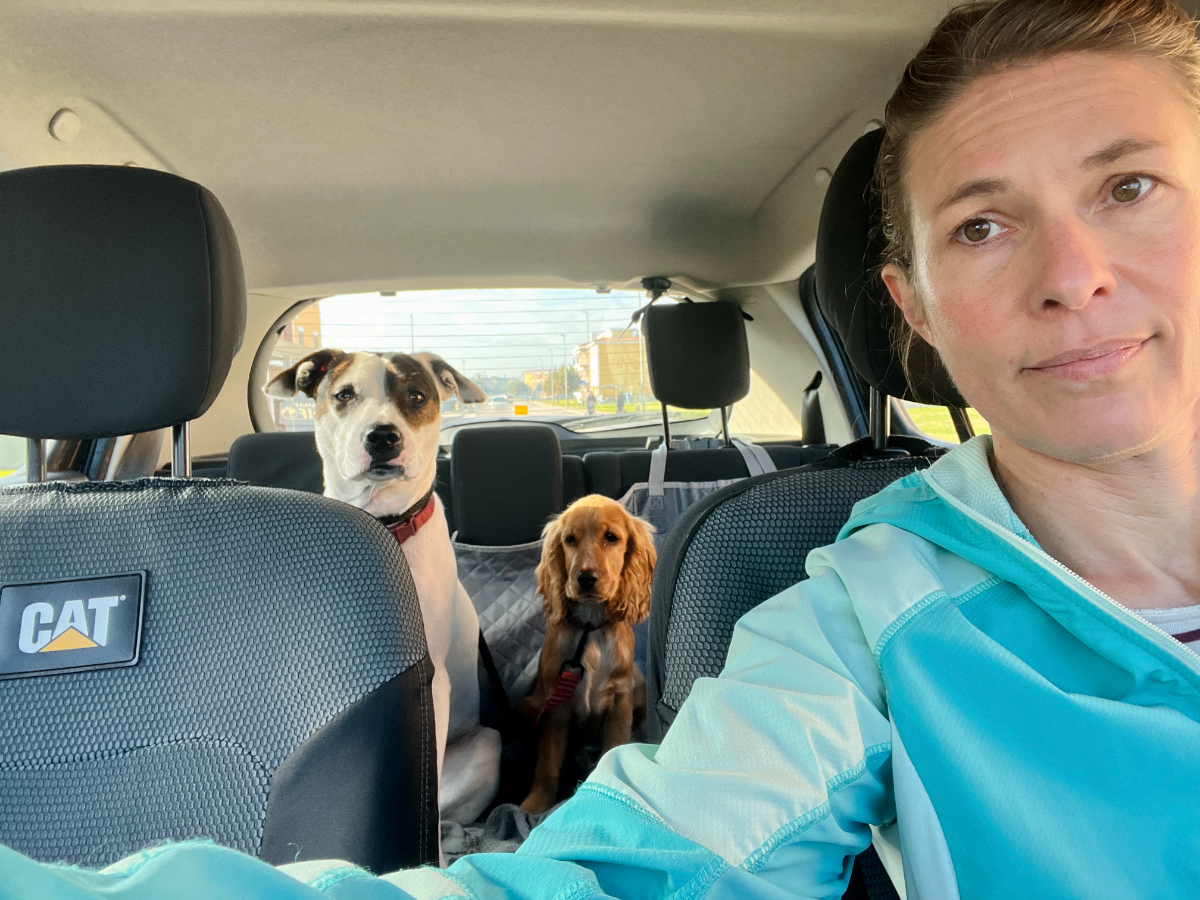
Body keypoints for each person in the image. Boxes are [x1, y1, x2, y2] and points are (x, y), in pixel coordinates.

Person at [8, 0, 1200, 896]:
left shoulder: (793, 573)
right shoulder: (859, 623)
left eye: (1132, 186)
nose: (1074, 275)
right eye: (983, 224)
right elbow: (632, 867)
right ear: (915, 306)